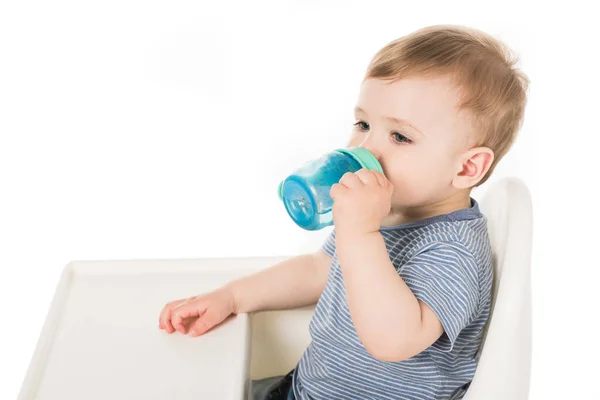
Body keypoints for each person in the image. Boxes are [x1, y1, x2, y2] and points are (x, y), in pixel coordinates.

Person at [158, 24, 529, 400]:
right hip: (305, 389)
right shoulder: (383, 212)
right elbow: (321, 269)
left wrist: (360, 235)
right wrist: (233, 297)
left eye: (400, 136)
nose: (366, 147)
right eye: (364, 124)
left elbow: (394, 339)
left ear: (466, 168)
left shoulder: (453, 251)